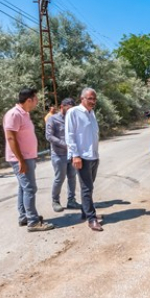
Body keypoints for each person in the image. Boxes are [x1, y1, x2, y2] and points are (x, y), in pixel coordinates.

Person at [3, 88, 54, 232]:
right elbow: (11, 138)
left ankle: (24, 216)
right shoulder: (13, 114)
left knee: (23, 187)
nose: (37, 101)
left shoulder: (24, 114)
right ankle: (33, 221)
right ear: (29, 100)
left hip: (27, 157)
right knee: (30, 188)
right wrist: (21, 160)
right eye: (36, 99)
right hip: (21, 158)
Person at [65, 88, 102, 232]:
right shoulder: (73, 112)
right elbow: (70, 135)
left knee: (89, 186)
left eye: (94, 99)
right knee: (87, 188)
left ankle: (84, 212)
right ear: (82, 98)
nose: (93, 102)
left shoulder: (91, 113)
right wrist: (75, 155)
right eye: (90, 99)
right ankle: (92, 219)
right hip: (82, 157)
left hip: (93, 156)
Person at [46, 97, 81, 213]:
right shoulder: (53, 119)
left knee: (72, 177)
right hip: (58, 155)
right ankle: (55, 201)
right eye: (68, 108)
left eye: (72, 109)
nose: (70, 111)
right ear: (62, 107)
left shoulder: (73, 119)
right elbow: (49, 136)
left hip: (71, 155)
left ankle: (71, 200)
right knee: (59, 178)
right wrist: (66, 145)